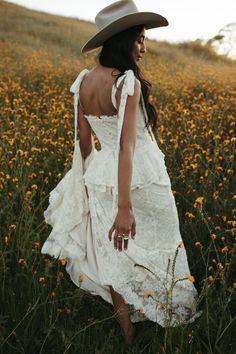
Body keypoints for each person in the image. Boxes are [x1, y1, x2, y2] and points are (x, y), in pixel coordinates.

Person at [41, 0, 201, 345]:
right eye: (140, 39)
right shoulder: (126, 82)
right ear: (123, 40)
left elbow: (84, 144)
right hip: (142, 178)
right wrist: (125, 206)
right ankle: (171, 319)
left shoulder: (83, 82)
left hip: (101, 176)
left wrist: (91, 183)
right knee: (162, 246)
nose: (144, 47)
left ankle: (128, 334)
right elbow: (128, 146)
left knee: (115, 253)